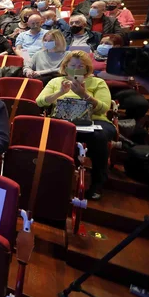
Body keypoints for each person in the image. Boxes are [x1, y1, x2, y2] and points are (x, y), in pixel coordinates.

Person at [36, 51, 114, 200]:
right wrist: (59, 92)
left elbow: (104, 109)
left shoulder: (98, 82)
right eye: (72, 65)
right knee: (52, 133)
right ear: (65, 67)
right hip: (62, 119)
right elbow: (40, 102)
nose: (76, 68)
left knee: (99, 137)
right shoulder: (56, 82)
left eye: (81, 66)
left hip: (94, 120)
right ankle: (57, 177)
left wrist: (84, 94)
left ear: (87, 68)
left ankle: (98, 182)